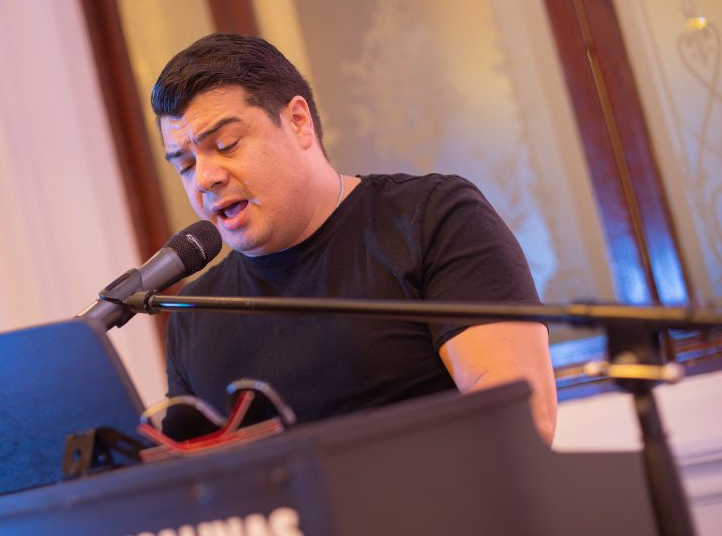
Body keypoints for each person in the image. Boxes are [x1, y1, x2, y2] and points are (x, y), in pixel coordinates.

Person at [151, 33, 556, 444]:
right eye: (185, 165)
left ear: (298, 122)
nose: (205, 178)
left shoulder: (431, 218)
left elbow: (523, 424)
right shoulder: (194, 312)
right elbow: (181, 475)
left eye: (226, 145)